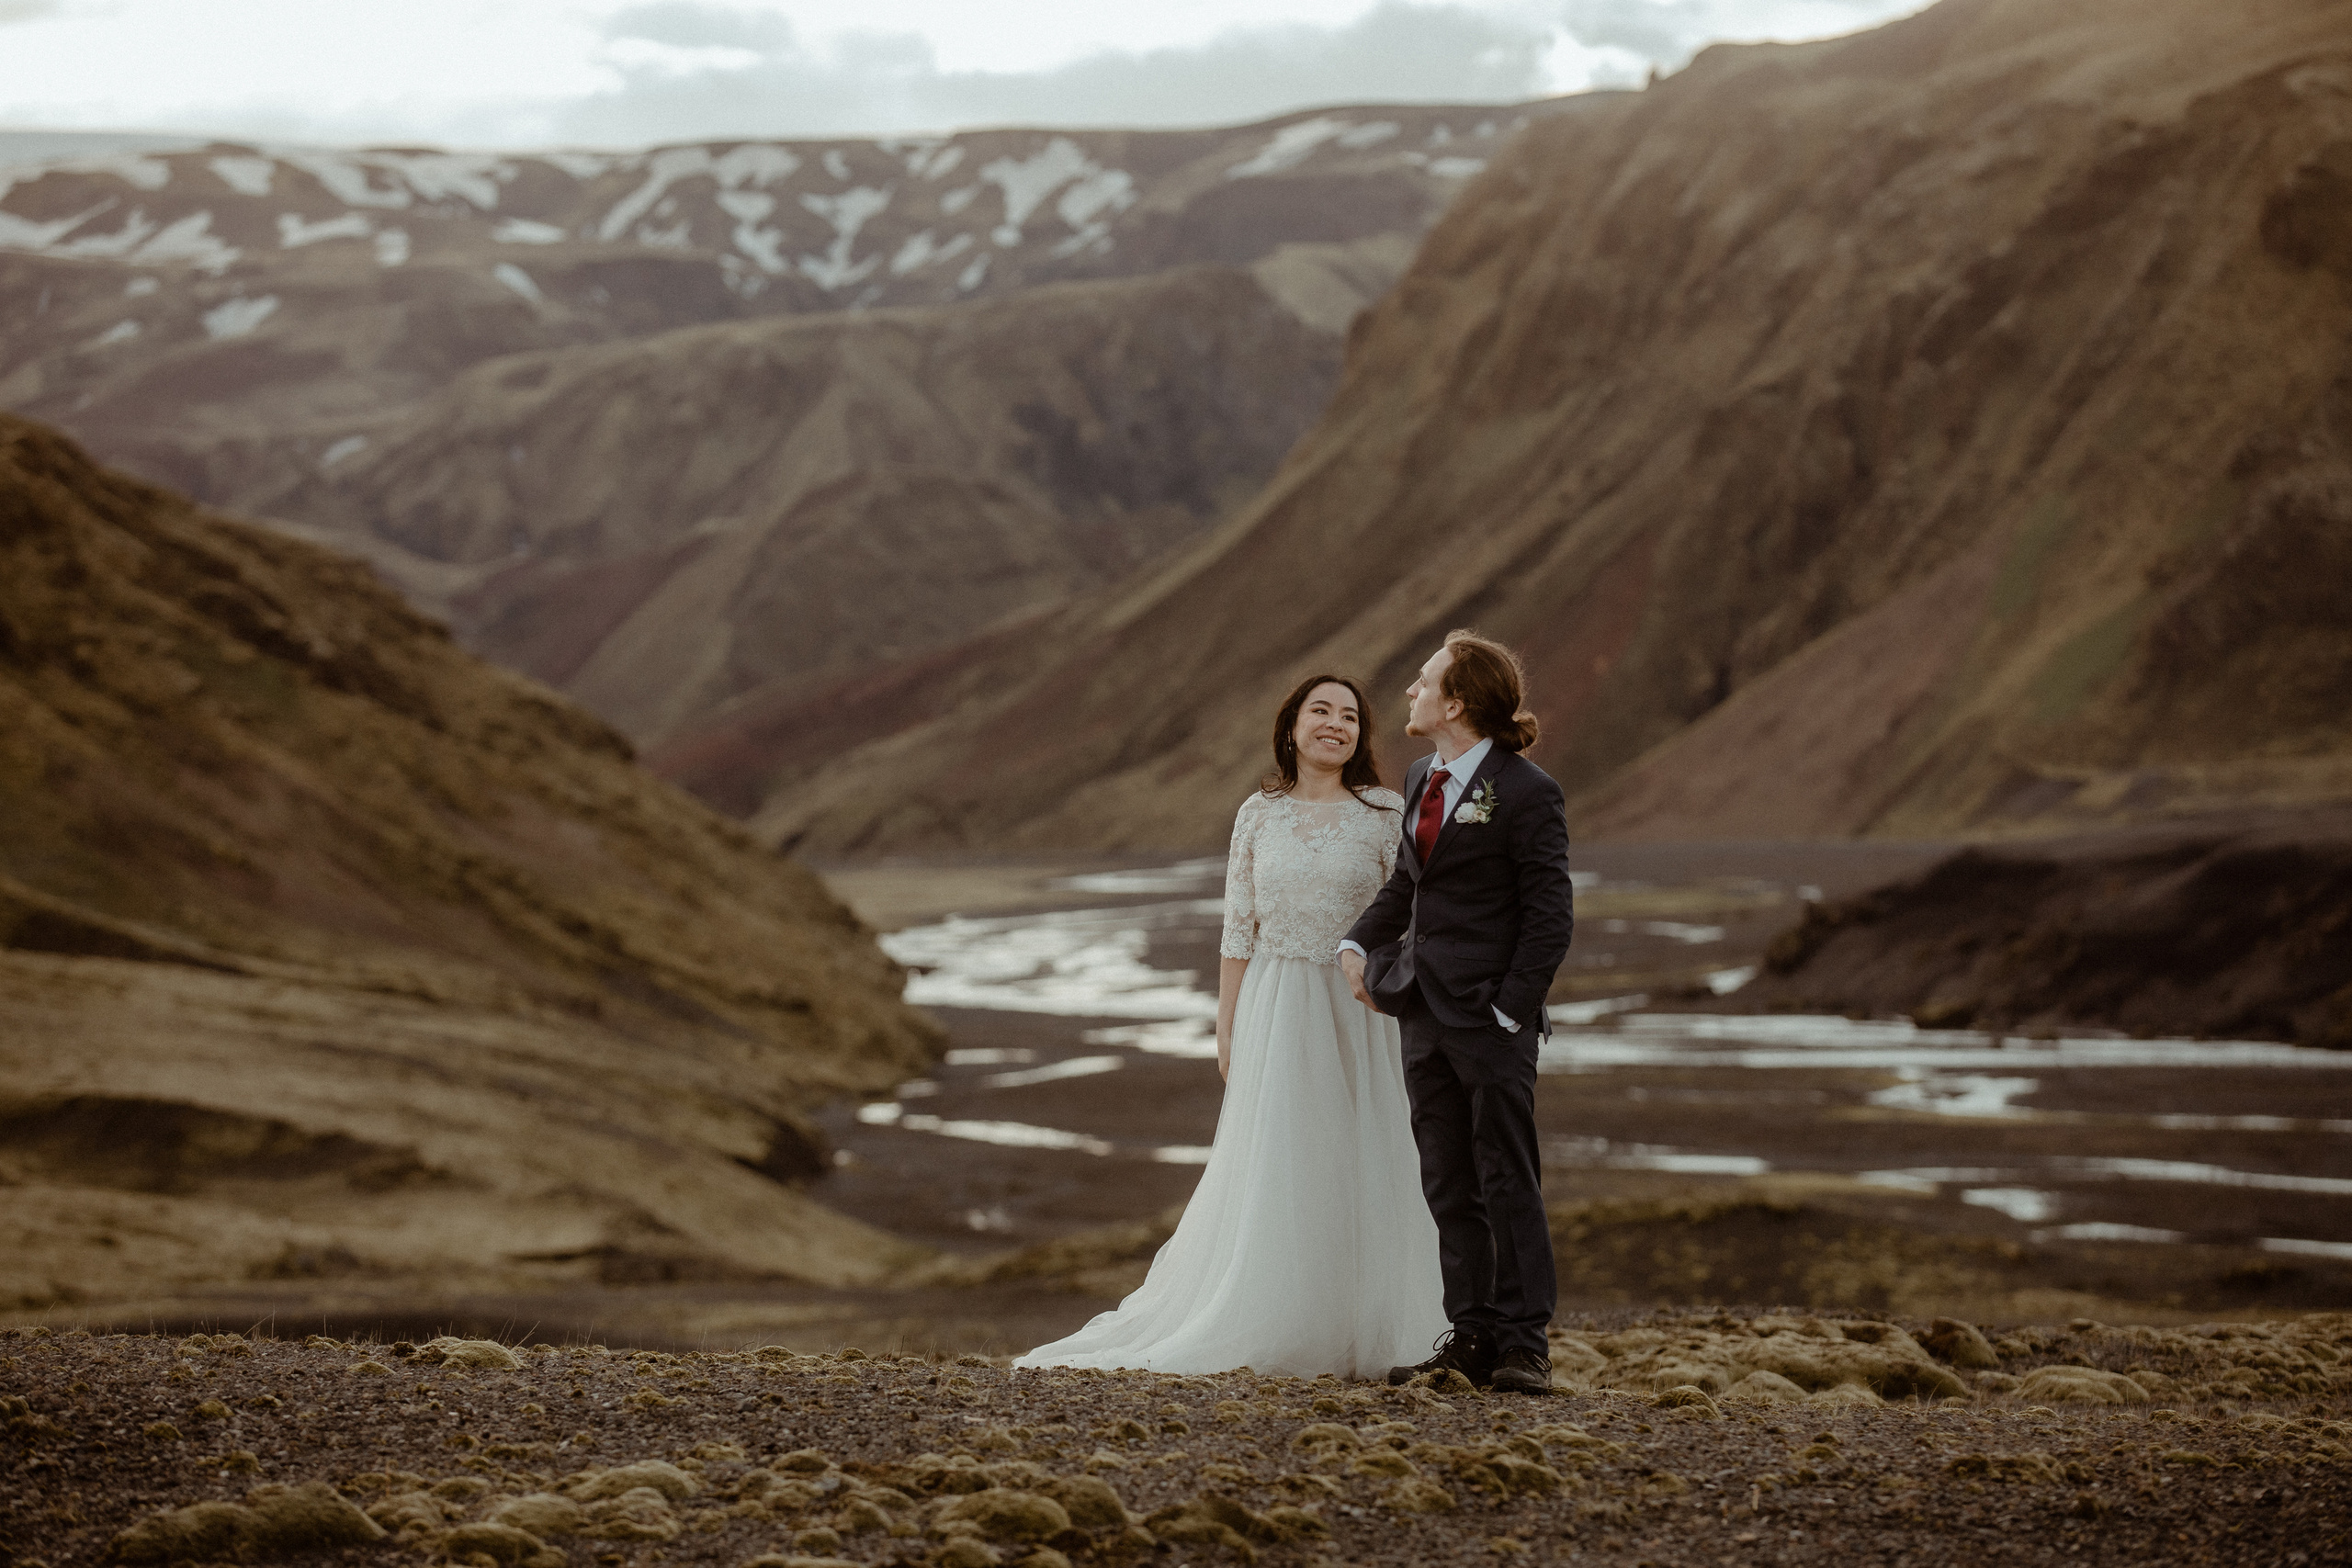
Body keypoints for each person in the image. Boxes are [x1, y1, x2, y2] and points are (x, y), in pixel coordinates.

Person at [1013, 674, 1447, 1377]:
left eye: (1349, 716)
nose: (1334, 724)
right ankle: (1282, 1316)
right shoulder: (1257, 813)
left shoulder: (1382, 812)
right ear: (1292, 726)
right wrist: (1227, 1026)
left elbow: (1406, 910)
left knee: (1367, 1155)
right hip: (1275, 1004)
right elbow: (1236, 930)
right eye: (1320, 711)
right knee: (1283, 1157)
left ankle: (1370, 1323)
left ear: (1362, 735)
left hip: (1359, 1009)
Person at [1340, 629, 1574, 1396]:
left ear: (1458, 701)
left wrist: (1511, 1012)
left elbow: (1550, 916)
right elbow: (1408, 889)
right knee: (1447, 1178)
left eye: (1424, 679)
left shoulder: (1528, 791)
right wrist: (1357, 943)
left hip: (1490, 1022)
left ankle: (1524, 1343)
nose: (1410, 691)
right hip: (1422, 1015)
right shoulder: (1420, 777)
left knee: (1509, 1177)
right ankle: (1470, 1333)